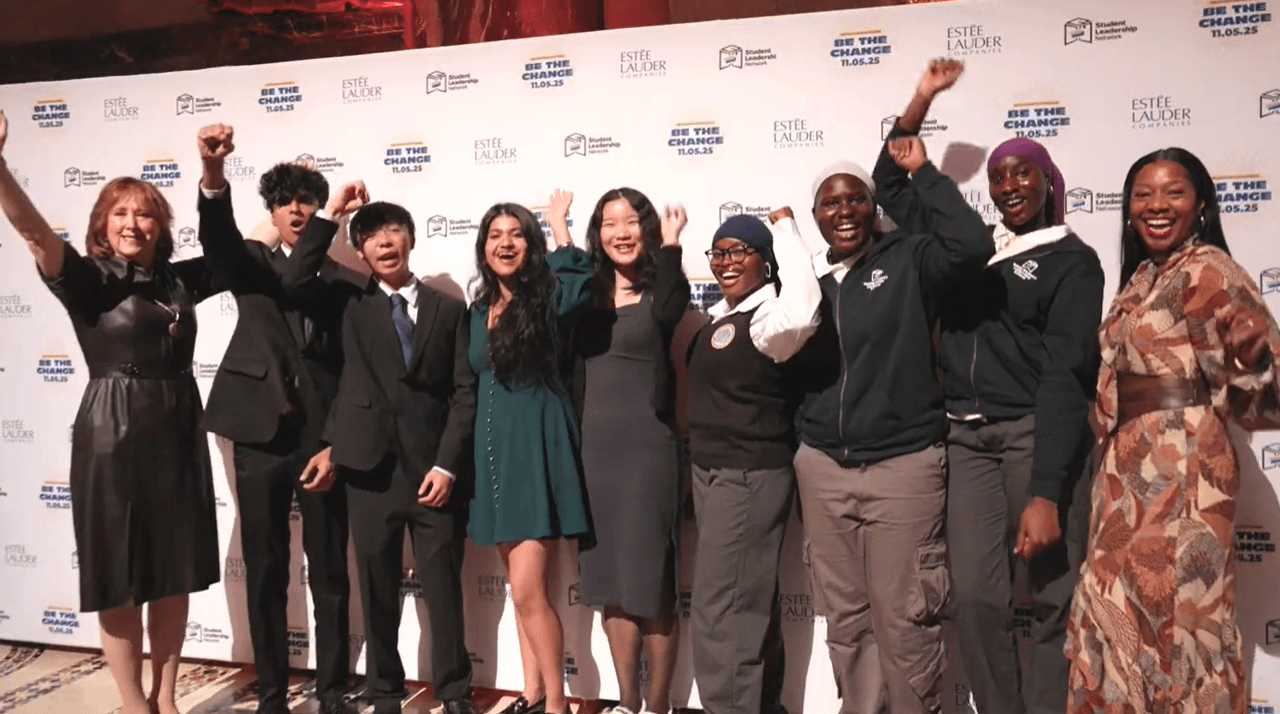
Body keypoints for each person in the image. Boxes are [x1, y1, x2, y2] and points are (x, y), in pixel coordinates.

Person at [876, 62, 1103, 714]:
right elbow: (890, 181)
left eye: (1022, 172)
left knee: (1055, 597)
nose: (1008, 184)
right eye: (998, 175)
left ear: (1049, 184)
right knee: (975, 597)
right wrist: (921, 100)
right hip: (966, 440)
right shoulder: (969, 249)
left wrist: (1045, 490)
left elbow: (1067, 374)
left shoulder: (1072, 261)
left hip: (1037, 436)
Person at [0, 110, 220, 714]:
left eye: (144, 211)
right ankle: (132, 704)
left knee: (174, 574)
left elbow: (242, 247)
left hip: (177, 426)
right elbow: (36, 235)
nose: (133, 222)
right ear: (102, 225)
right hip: (111, 434)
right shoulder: (87, 280)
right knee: (118, 575)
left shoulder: (176, 282)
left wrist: (217, 174)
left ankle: (166, 698)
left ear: (160, 224)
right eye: (119, 212)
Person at [1065, 148, 1280, 713]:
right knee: (1118, 620)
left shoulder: (1210, 270)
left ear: (1202, 204)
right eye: (1143, 194)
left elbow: (1262, 406)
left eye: (1173, 192)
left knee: (1183, 628)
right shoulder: (1139, 278)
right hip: (1122, 478)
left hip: (1183, 476)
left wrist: (1253, 360)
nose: (1156, 205)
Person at [791, 128, 994, 712]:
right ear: (815, 215)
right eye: (830, 202)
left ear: (874, 205)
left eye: (855, 197)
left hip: (903, 466)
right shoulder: (806, 281)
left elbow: (970, 245)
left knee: (906, 620)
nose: (844, 210)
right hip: (824, 467)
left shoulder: (908, 257)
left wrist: (926, 176)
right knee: (848, 623)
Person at [195, 124, 369, 714]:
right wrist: (213, 178)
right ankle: (271, 693)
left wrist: (335, 442)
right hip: (257, 434)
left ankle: (332, 691)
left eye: (308, 200)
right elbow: (217, 239)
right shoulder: (248, 264)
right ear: (270, 209)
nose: (298, 208)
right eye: (287, 200)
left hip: (320, 440)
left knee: (329, 573)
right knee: (266, 568)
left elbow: (352, 375)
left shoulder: (344, 282)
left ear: (320, 209)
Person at [315, 201, 477, 714]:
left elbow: (463, 393)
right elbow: (301, 268)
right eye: (372, 235)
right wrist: (333, 215)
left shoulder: (449, 309)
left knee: (444, 592)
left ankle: (454, 692)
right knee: (377, 588)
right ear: (359, 249)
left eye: (393, 231)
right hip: (368, 471)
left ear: (411, 238)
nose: (384, 242)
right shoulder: (348, 303)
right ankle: (385, 690)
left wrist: (447, 464)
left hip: (434, 473)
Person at [686, 208, 821, 714]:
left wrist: (786, 230)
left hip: (748, 473)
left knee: (724, 609)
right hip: (713, 473)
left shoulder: (771, 316)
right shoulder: (724, 316)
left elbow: (805, 312)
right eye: (718, 253)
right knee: (748, 600)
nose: (725, 262)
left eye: (738, 251)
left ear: (765, 262)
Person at [560, 188, 689, 714]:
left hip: (648, 451)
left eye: (631, 221)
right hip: (593, 454)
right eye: (609, 222)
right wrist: (559, 233)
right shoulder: (583, 295)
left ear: (647, 229)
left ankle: (657, 705)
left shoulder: (661, 290)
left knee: (652, 578)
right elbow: (558, 293)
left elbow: (674, 309)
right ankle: (628, 702)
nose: (621, 231)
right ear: (598, 232)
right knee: (611, 578)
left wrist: (675, 245)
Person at [468, 194, 593, 714]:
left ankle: (557, 706)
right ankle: (531, 692)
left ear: (531, 244)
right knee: (521, 592)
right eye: (495, 235)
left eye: (515, 234)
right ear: (483, 247)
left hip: (535, 447)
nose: (505, 243)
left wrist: (562, 226)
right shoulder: (476, 310)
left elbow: (581, 286)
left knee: (527, 591)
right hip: (491, 452)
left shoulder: (546, 298)